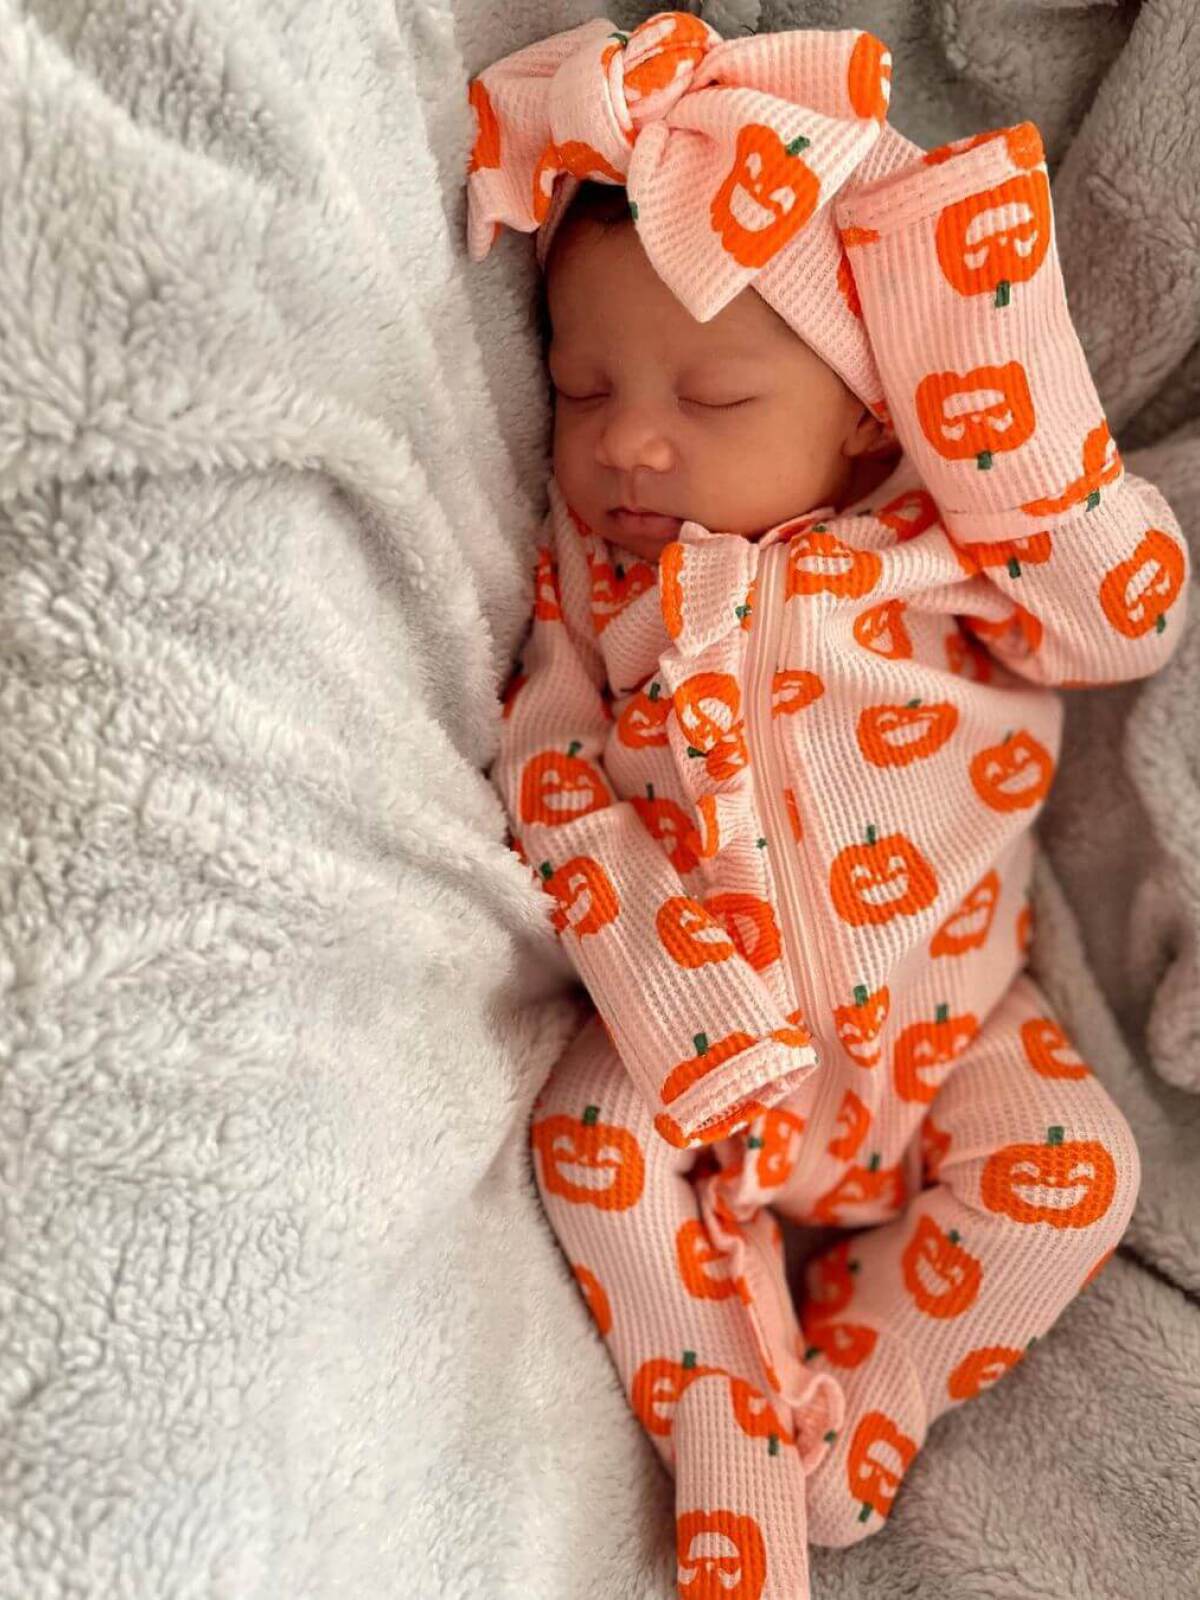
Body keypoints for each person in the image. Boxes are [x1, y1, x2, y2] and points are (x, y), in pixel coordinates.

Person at [468, 14, 1189, 1597]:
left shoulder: (948, 552)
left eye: (713, 398)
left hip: (945, 1034)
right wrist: (681, 1008)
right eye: (582, 390)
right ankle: (729, 1437)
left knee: (1076, 1169)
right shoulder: (601, 594)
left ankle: (859, 1410)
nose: (629, 442)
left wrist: (977, 353)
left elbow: (1127, 611)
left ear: (869, 408)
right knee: (588, 1133)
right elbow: (553, 780)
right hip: (708, 1045)